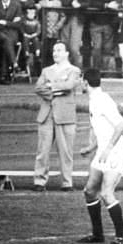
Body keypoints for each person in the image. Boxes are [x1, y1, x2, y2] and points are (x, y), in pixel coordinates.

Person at [78, 69, 123, 244]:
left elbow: (121, 124)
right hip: (103, 150)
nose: (80, 83)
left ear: (85, 82)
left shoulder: (103, 100)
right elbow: (99, 128)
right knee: (90, 191)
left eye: (81, 80)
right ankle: (98, 234)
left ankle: (122, 238)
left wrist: (108, 148)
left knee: (107, 193)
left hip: (115, 150)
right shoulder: (93, 100)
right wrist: (91, 147)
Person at [33, 41, 81, 191]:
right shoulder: (46, 70)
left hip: (65, 115)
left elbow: (68, 86)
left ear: (67, 53)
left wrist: (50, 86)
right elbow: (38, 88)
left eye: (59, 50)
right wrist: (56, 89)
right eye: (54, 50)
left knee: (66, 151)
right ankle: (39, 181)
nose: (55, 53)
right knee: (43, 150)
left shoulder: (74, 70)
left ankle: (67, 182)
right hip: (47, 114)